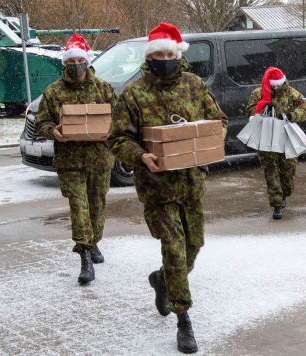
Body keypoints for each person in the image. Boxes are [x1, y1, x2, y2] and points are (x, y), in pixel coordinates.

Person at [108, 23, 228, 354]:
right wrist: (141, 155)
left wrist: (205, 144)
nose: (165, 59)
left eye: (169, 54)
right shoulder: (133, 93)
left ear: (178, 54)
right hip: (157, 187)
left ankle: (162, 281)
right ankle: (183, 319)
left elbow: (219, 122)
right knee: (174, 249)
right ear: (150, 57)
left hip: (191, 184)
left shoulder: (195, 85)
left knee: (194, 245)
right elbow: (116, 138)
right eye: (158, 54)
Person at [35, 34, 116, 285]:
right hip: (70, 161)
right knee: (79, 207)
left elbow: (120, 119)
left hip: (100, 159)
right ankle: (84, 256)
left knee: (97, 206)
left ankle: (93, 243)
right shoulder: (54, 91)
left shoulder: (104, 88)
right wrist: (54, 132)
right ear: (65, 64)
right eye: (72, 61)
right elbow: (42, 122)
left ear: (88, 61)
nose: (77, 64)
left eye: (81, 60)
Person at [245, 67, 306, 219]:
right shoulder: (258, 93)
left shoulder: (291, 93)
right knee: (271, 171)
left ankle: (285, 193)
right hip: (266, 138)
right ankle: (277, 204)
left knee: (288, 173)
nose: (275, 88)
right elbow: (249, 110)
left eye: (278, 85)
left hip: (285, 137)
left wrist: (290, 115)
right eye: (273, 85)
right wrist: (262, 107)